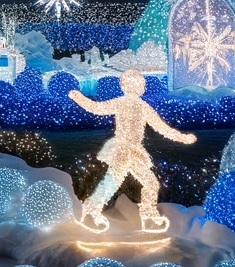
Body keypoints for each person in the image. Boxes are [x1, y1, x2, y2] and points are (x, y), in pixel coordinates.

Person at [68, 70, 196, 233]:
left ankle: (147, 216)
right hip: (123, 151)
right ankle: (91, 212)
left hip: (133, 152)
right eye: (138, 84)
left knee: (143, 183)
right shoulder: (128, 104)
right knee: (114, 182)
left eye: (140, 84)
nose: (139, 87)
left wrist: (182, 138)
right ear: (128, 86)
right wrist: (78, 97)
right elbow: (97, 108)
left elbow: (161, 127)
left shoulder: (141, 106)